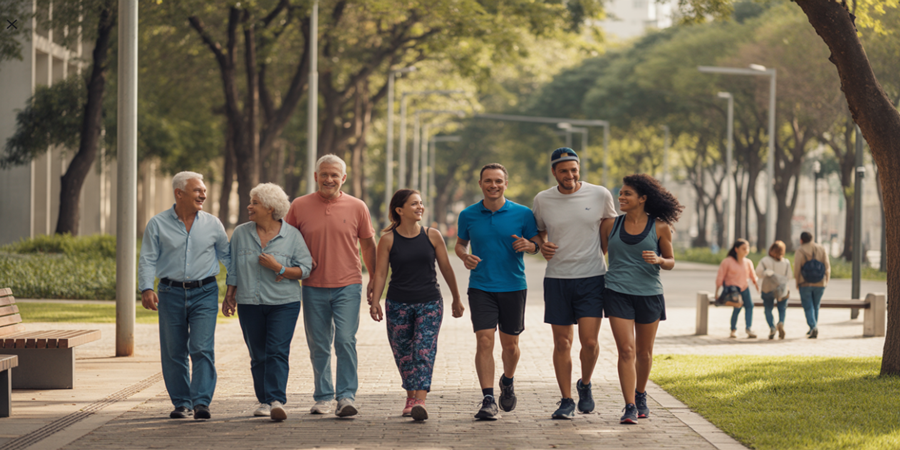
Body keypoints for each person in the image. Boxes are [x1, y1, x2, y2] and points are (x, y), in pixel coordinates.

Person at [284, 154, 376, 417]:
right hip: (312, 285)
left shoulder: (358, 206)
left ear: (343, 178)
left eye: (335, 175)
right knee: (319, 344)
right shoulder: (299, 206)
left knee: (346, 340)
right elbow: (287, 241)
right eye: (324, 174)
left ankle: (346, 396)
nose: (329, 179)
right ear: (315, 177)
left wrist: (374, 281)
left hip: (348, 284)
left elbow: (368, 245)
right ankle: (323, 397)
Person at [532, 147, 618, 419]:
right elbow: (538, 233)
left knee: (590, 343)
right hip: (557, 279)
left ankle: (585, 384)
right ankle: (566, 399)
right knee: (562, 344)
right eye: (563, 171)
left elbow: (608, 232)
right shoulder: (542, 200)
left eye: (574, 169)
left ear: (579, 168)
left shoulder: (600, 194)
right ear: (554, 172)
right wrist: (542, 246)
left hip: (592, 277)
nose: (570, 175)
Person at [138, 171, 231, 420]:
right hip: (170, 292)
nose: (203, 194)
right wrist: (146, 288)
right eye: (197, 190)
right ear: (179, 193)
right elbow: (147, 258)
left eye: (203, 190)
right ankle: (181, 403)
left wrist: (233, 287)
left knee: (201, 347)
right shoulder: (157, 224)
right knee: (173, 350)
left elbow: (227, 256)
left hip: (205, 292)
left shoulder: (213, 224)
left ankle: (201, 401)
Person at [455, 163, 542, 420]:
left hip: (513, 286)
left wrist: (530, 245)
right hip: (481, 286)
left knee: (511, 346)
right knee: (484, 340)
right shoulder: (468, 214)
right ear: (480, 184)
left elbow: (538, 244)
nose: (493, 185)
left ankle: (508, 379)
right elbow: (461, 244)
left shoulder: (523, 214)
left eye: (498, 181)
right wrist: (464, 256)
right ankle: (488, 398)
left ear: (506, 184)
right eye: (488, 181)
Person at [369, 189, 464, 422]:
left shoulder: (432, 235)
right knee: (402, 352)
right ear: (399, 210)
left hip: (429, 302)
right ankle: (411, 397)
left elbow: (446, 269)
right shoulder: (388, 239)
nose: (420, 207)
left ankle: (419, 400)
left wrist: (457, 298)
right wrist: (375, 302)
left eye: (421, 203)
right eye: (414, 204)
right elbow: (381, 274)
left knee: (423, 349)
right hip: (397, 304)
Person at [222, 183, 313, 422]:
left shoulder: (292, 235)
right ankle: (263, 400)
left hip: (284, 303)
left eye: (255, 203)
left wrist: (279, 267)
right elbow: (233, 268)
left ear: (271, 208)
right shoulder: (241, 233)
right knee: (258, 354)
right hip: (249, 302)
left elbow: (305, 269)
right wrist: (230, 294)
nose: (249, 206)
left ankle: (275, 400)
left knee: (277, 351)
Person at [600, 174, 682, 425]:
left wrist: (659, 260)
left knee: (644, 353)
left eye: (627, 194)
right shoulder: (610, 225)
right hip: (617, 292)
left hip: (649, 295)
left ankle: (641, 393)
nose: (621, 197)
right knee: (626, 350)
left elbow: (670, 262)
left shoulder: (659, 227)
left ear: (642, 199)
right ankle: (629, 406)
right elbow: (599, 253)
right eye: (621, 193)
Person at [715, 239, 759, 339]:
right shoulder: (727, 261)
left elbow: (753, 276)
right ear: (736, 249)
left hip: (745, 288)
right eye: (743, 248)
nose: (746, 250)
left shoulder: (748, 262)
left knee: (750, 306)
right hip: (733, 289)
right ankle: (733, 329)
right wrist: (717, 292)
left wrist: (757, 286)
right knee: (737, 308)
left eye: (747, 248)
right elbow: (720, 277)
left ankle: (749, 328)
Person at [793, 231, 831, 339]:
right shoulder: (821, 248)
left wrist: (797, 282)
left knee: (808, 306)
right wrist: (826, 280)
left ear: (801, 240)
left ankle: (813, 326)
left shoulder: (800, 251)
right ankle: (813, 327)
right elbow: (827, 266)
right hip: (820, 283)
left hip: (805, 283)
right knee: (816, 306)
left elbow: (797, 269)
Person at [756, 241, 792, 340]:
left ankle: (772, 327)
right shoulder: (786, 262)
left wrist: (767, 273)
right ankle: (781, 322)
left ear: (771, 250)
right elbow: (789, 276)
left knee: (768, 309)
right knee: (782, 308)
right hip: (782, 289)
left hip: (768, 288)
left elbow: (758, 273)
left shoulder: (765, 260)